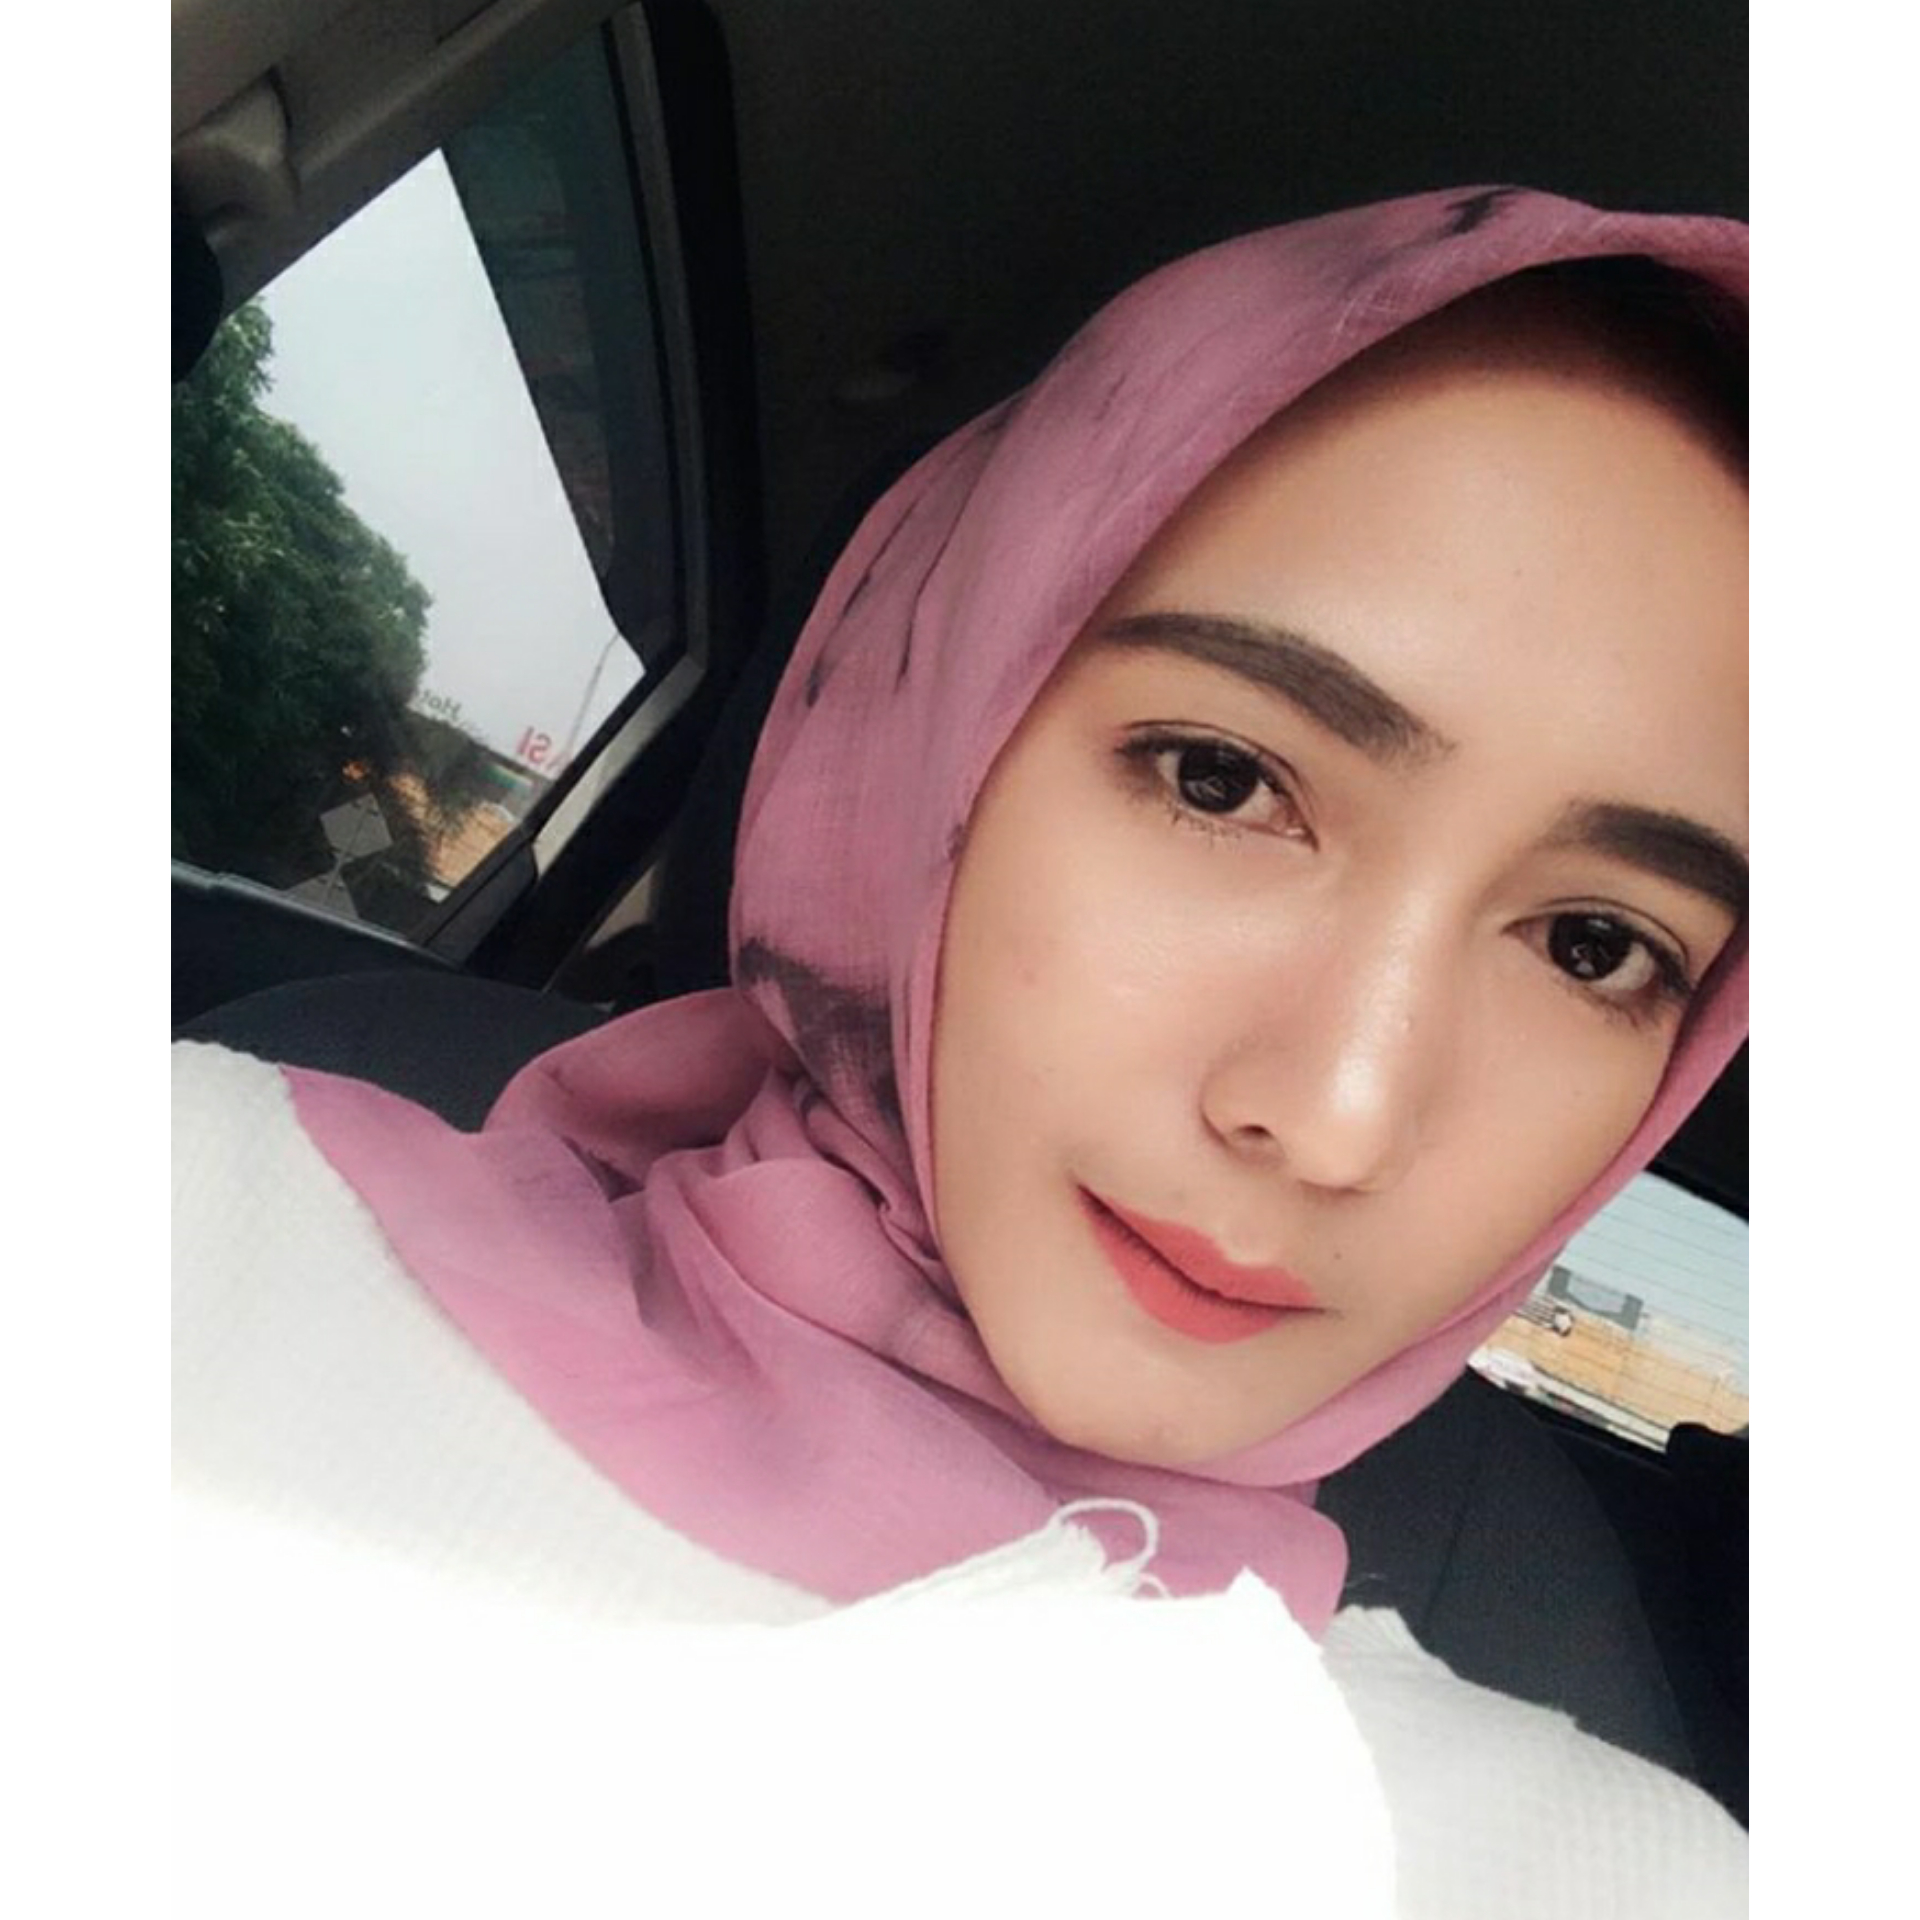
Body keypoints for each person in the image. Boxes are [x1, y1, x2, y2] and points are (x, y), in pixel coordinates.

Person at [174, 185, 1745, 1910]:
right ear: (923, 735)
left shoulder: (1605, 1869)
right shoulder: (181, 1219)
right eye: (1220, 777)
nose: (1338, 1116)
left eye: (1596, 946)